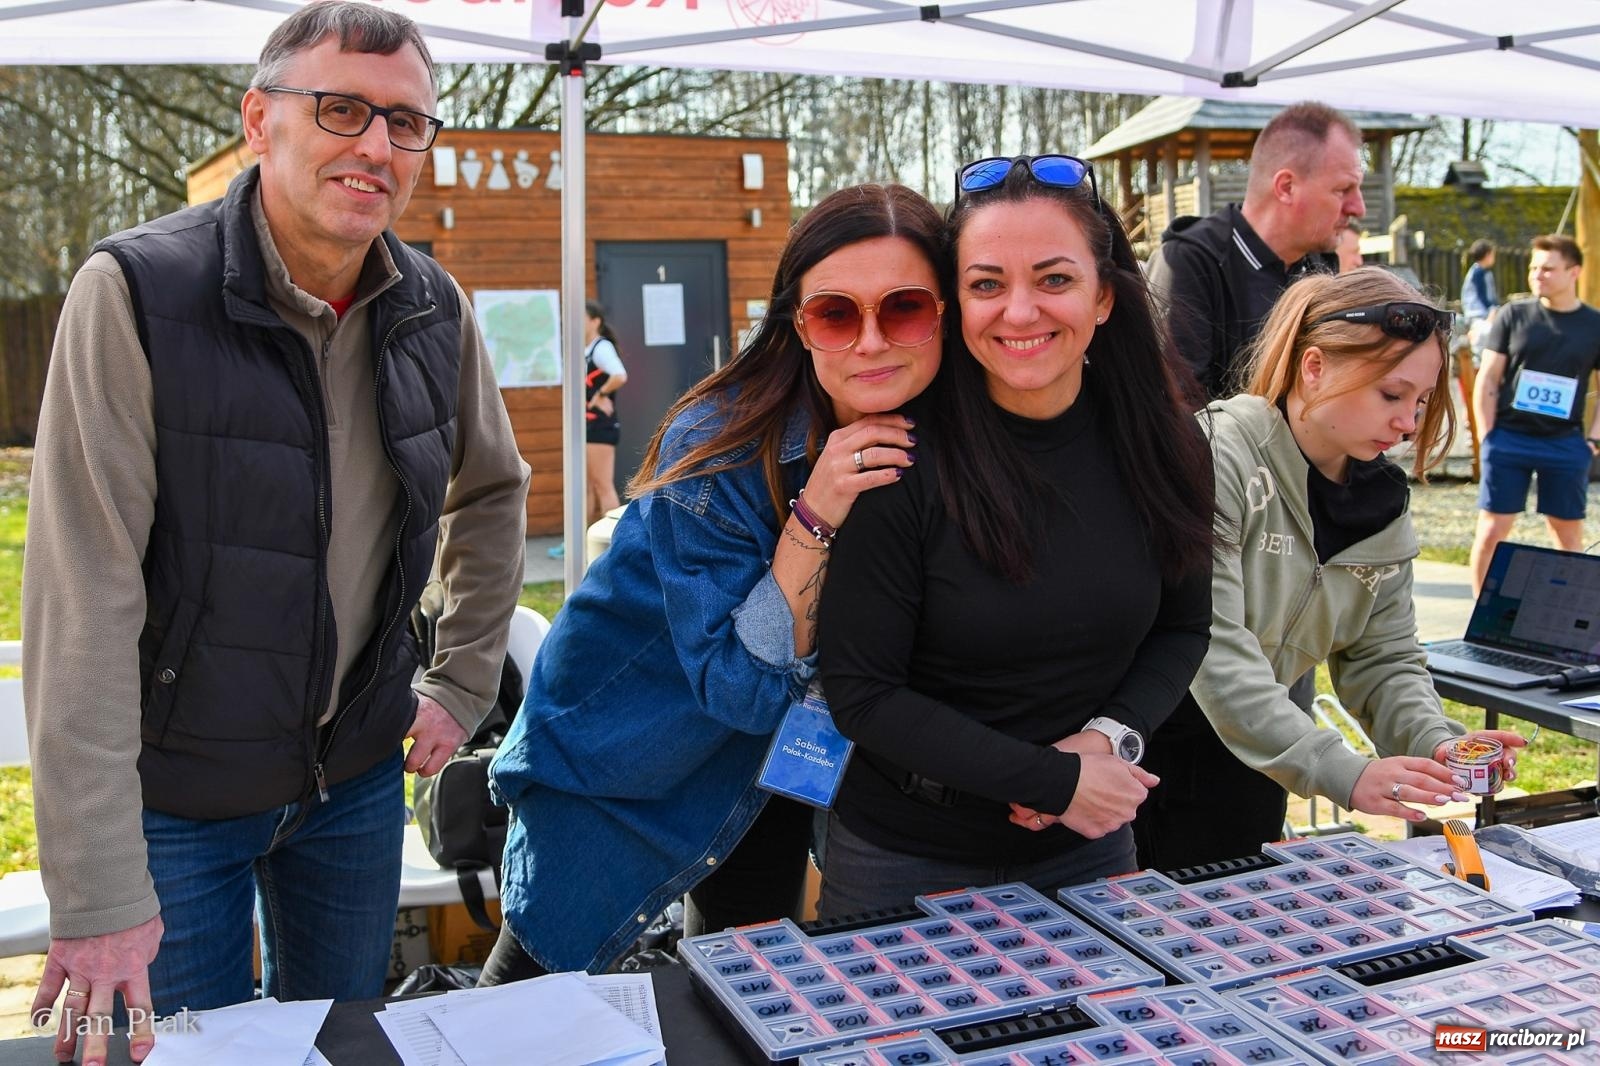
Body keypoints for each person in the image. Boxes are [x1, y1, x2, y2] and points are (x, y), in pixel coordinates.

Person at [21, 3, 530, 1062]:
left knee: (341, 1048)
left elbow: (492, 493)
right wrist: (98, 882)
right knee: (196, 1057)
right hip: (177, 801)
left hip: (349, 787)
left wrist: (462, 678)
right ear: (260, 121)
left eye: (406, 122)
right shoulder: (134, 293)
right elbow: (84, 599)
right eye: (340, 109)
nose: (376, 147)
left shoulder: (435, 305)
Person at [484, 183, 945, 978]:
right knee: (530, 998)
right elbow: (736, 687)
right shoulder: (723, 443)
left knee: (739, 992)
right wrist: (817, 512)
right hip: (626, 759)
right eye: (837, 314)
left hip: (783, 760)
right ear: (797, 325)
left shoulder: (951, 431)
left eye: (903, 308)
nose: (871, 341)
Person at [814, 155, 1214, 915]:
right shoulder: (899, 455)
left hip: (1090, 842)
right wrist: (1050, 781)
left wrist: (1106, 741)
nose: (1020, 311)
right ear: (955, 305)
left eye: (1055, 280)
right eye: (987, 284)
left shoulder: (1168, 446)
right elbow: (863, 693)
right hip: (905, 861)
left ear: (1103, 299)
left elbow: (1183, 627)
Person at [1135, 268, 1525, 871]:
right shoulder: (1217, 453)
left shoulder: (1383, 505)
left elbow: (1384, 659)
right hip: (1142, 760)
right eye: (1391, 395)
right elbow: (1215, 647)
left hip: (1255, 766)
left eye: (1421, 401)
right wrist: (1342, 771)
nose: (1408, 423)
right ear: (1313, 366)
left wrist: (1439, 744)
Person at [1147, 101, 1366, 400]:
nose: (1359, 208)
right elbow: (1179, 415)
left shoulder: (1318, 270)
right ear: (1286, 187)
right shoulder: (1190, 263)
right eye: (1343, 190)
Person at [1469, 234, 1600, 595]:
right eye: (1533, 268)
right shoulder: (1514, 315)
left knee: (1567, 534)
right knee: (1493, 529)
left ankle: (1565, 617)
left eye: (1547, 268)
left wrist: (1593, 438)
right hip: (1509, 438)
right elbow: (1489, 378)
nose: (1537, 275)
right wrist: (1487, 436)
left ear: (1573, 272)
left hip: (1564, 443)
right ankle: (1478, 614)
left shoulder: (1594, 324)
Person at [583, 299, 629, 523]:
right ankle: (580, 539)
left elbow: (619, 375)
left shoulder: (602, 348)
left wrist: (600, 395)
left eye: (581, 319)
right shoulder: (585, 350)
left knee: (602, 485)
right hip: (586, 425)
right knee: (587, 486)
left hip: (600, 424)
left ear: (595, 321)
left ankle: (615, 540)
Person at [1460, 238, 1500, 357]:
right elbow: (1483, 295)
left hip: (1483, 313)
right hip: (1478, 314)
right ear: (1487, 255)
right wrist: (1492, 309)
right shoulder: (1479, 273)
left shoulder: (1482, 272)